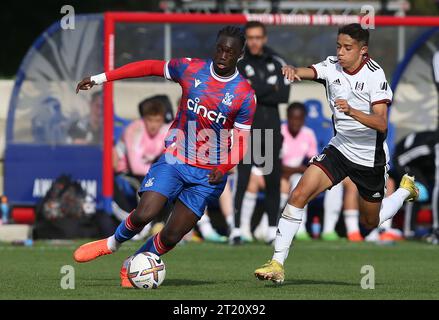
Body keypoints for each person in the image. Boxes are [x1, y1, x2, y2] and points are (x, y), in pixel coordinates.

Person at [73, 26, 256, 288]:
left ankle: (134, 265)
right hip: (176, 158)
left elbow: (240, 142)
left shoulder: (245, 95)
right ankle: (112, 244)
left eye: (230, 51)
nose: (223, 55)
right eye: (220, 48)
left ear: (239, 55)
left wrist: (225, 166)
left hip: (208, 174)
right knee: (145, 213)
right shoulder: (191, 69)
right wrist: (101, 78)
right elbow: (148, 67)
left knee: (171, 235)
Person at [254, 23, 419, 284]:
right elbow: (310, 71)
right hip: (340, 148)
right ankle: (277, 263)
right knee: (299, 193)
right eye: (338, 46)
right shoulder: (332, 65)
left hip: (369, 158)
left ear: (363, 51)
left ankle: (404, 190)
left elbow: (382, 124)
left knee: (370, 221)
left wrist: (352, 111)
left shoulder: (375, 76)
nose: (340, 52)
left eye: (347, 48)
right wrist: (293, 71)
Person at [232, 21, 290, 245]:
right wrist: (268, 88)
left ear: (264, 39)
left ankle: (272, 230)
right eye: (251, 38)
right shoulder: (238, 63)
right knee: (243, 179)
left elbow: (283, 95)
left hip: (270, 129)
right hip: (246, 130)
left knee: (272, 180)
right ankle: (236, 229)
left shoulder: (276, 62)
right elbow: (240, 94)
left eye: (258, 37)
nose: (254, 42)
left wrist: (254, 88)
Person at [239, 102, 317, 243]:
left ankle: (292, 227)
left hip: (292, 177)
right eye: (292, 118)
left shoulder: (309, 134)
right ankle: (245, 228)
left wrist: (298, 170)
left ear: (304, 119)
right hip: (273, 173)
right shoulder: (278, 131)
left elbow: (312, 162)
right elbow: (275, 163)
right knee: (257, 181)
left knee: (298, 182)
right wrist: (297, 169)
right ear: (287, 117)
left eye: (299, 119)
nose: (295, 122)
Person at [391, 130, 438, 243]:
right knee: (417, 191)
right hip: (407, 167)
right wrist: (410, 180)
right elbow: (400, 160)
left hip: (425, 170)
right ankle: (409, 231)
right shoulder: (426, 148)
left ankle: (432, 230)